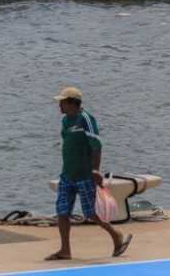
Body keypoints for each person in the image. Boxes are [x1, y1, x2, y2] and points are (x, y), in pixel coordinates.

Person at [45, 87, 133, 262]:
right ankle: (65, 250)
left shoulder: (86, 119)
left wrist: (95, 170)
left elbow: (97, 146)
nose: (59, 105)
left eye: (62, 102)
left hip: (85, 175)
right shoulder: (65, 121)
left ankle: (116, 235)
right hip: (67, 174)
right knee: (62, 211)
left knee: (91, 213)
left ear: (71, 103)